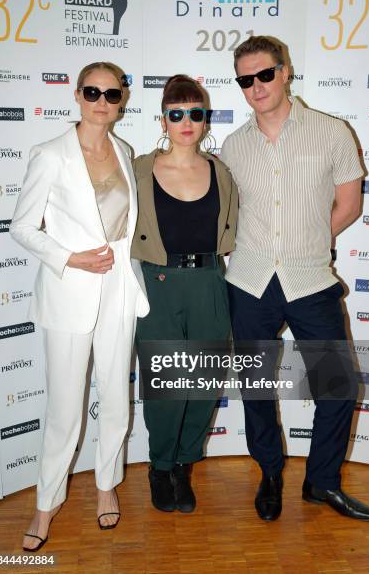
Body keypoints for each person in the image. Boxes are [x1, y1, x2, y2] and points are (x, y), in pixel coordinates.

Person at [221, 36, 369, 522]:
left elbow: (349, 204)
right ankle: (269, 474)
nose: (256, 87)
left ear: (285, 71)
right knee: (256, 388)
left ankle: (321, 483)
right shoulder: (232, 145)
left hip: (310, 280)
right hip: (248, 282)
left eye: (264, 74)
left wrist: (306, 241)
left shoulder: (332, 132)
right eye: (245, 80)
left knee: (338, 386)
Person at [10, 61, 149, 551]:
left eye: (112, 94)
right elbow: (22, 227)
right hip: (70, 291)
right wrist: (69, 258)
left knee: (115, 398)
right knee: (65, 409)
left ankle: (106, 484)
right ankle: (46, 504)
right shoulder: (50, 155)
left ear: (122, 100)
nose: (101, 102)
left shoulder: (125, 150)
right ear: (77, 94)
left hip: (118, 292)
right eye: (92, 92)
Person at [132, 74, 238, 513]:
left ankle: (184, 465)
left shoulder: (220, 170)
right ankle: (160, 466)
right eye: (177, 114)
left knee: (206, 380)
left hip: (210, 280)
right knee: (168, 385)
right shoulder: (139, 168)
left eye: (196, 113)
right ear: (163, 120)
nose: (187, 122)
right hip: (159, 284)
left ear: (205, 120)